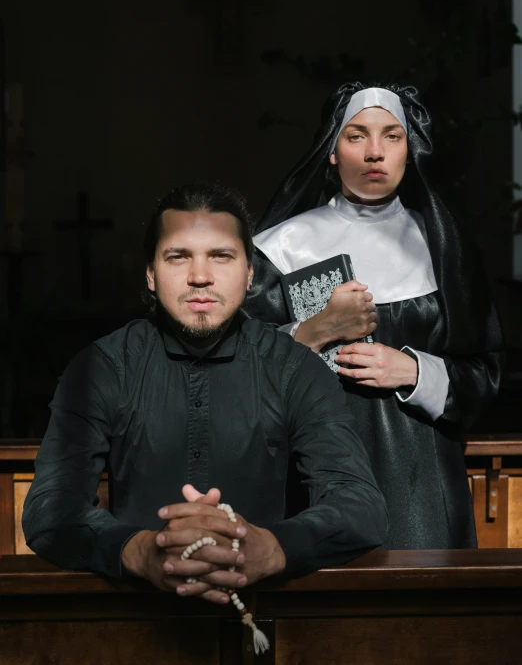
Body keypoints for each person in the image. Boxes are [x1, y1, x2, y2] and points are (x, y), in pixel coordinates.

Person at [23, 182, 388, 607]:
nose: (200, 276)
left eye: (221, 256)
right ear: (150, 274)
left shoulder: (295, 368)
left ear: (250, 273)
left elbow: (360, 505)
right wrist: (138, 551)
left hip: (269, 619)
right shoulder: (101, 368)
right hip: (135, 621)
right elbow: (49, 510)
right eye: (178, 257)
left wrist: (273, 547)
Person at [247, 83, 503, 549]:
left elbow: (485, 375)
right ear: (331, 151)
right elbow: (236, 376)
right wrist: (313, 330)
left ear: (410, 150)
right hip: (312, 481)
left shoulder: (444, 249)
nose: (374, 153)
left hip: (424, 486)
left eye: (391, 136)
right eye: (356, 136)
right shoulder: (282, 248)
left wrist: (415, 371)